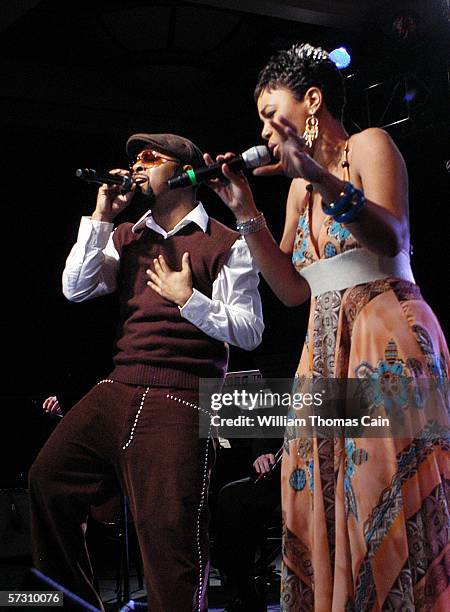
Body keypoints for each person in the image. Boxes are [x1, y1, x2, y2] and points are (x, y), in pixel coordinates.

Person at [205, 43, 450, 610]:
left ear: (312, 100)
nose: (264, 129)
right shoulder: (295, 191)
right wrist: (245, 211)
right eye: (261, 119)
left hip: (383, 338)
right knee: (317, 497)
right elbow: (293, 290)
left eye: (272, 113)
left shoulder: (368, 146)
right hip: (323, 351)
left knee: (377, 495)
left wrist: (318, 174)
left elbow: (390, 236)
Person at [28, 132, 264, 612]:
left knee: (168, 533)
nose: (136, 165)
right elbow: (75, 289)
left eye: (149, 157)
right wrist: (101, 217)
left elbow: (250, 330)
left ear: (182, 171)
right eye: (133, 158)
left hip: (182, 394)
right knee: (47, 480)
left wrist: (189, 301)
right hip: (120, 384)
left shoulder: (225, 243)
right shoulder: (127, 235)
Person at [213, 440, 281, 612]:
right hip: (264, 462)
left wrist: (264, 451)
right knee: (225, 495)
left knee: (233, 499)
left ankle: (245, 591)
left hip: (289, 464)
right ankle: (243, 587)